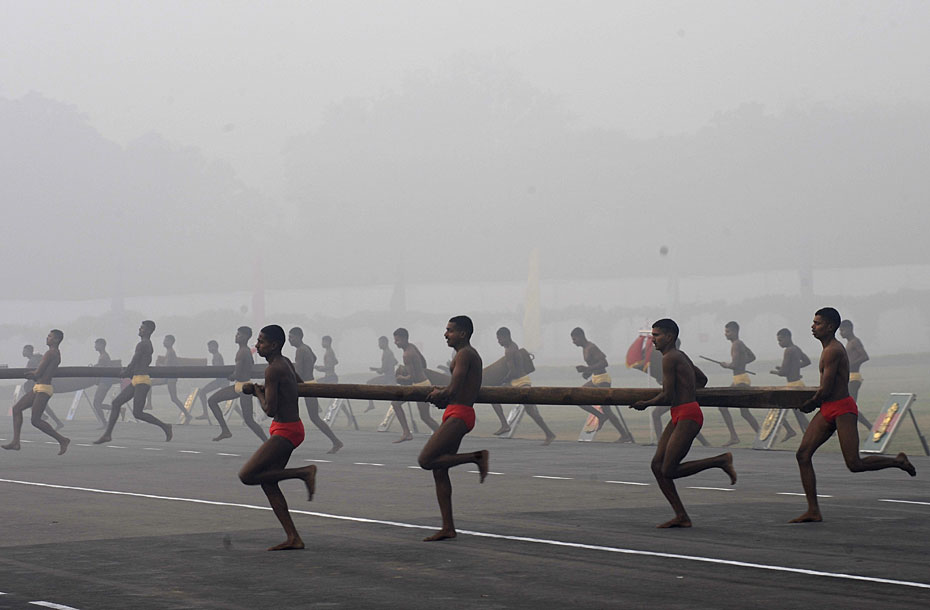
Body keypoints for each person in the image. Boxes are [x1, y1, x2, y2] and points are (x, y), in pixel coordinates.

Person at [790, 307, 915, 523]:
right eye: (813, 322)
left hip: (842, 409)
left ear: (830, 326)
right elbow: (825, 390)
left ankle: (898, 461)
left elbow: (826, 389)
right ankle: (813, 510)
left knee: (854, 464)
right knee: (802, 455)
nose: (813, 326)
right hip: (828, 408)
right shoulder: (827, 349)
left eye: (817, 323)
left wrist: (809, 404)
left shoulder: (833, 350)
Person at [631, 319, 736, 528]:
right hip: (680, 413)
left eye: (656, 335)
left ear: (669, 336)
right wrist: (686, 389)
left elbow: (667, 395)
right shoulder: (680, 355)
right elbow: (702, 379)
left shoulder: (670, 358)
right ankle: (681, 516)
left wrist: (645, 403)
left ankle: (720, 460)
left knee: (669, 470)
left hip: (688, 414)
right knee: (657, 466)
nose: (653, 340)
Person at [239, 325, 318, 551]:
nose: (257, 345)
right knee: (268, 481)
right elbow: (299, 385)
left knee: (247, 475)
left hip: (287, 430)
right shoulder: (286, 363)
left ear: (273, 345)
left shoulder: (273, 370)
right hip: (288, 427)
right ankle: (293, 537)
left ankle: (303, 472)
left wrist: (258, 393)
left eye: (261, 342)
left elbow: (270, 410)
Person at [419, 315, 490, 541]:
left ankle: (476, 457)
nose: (445, 334)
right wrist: (443, 396)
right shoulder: (463, 355)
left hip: (460, 414)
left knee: (426, 460)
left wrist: (440, 394)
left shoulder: (465, 354)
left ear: (463, 333)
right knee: (439, 471)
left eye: (450, 330)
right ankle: (448, 527)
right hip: (454, 412)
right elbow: (455, 389)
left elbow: (454, 388)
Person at [95, 321, 172, 444]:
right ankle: (107, 434)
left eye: (142, 328)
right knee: (116, 403)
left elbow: (134, 361)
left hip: (142, 380)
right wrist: (129, 372)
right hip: (136, 379)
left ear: (148, 331)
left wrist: (125, 372)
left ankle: (165, 426)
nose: (140, 329)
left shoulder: (143, 344)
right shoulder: (147, 344)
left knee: (138, 413)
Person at [2, 330, 71, 454]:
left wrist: (30, 374)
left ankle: (62, 440)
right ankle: (16, 441)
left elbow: (38, 373)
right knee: (17, 409)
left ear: (56, 339)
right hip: (38, 387)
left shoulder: (50, 353)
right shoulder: (56, 353)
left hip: (44, 388)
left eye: (50, 336)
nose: (47, 338)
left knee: (36, 420)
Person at [489, 327, 556, 445]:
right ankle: (549, 434)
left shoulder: (509, 351)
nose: (498, 341)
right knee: (531, 411)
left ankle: (505, 425)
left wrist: (504, 381)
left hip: (520, 383)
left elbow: (513, 372)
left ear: (506, 337)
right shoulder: (513, 346)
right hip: (521, 381)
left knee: (493, 396)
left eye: (499, 339)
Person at [571, 327, 633, 442]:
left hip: (603, 379)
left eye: (574, 339)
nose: (573, 342)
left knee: (607, 409)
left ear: (580, 336)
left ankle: (625, 435)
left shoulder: (591, 347)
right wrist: (587, 372)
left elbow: (604, 363)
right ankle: (600, 416)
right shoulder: (585, 348)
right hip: (595, 379)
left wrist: (587, 368)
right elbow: (594, 364)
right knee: (577, 397)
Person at [206, 327, 267, 442]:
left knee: (249, 420)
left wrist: (230, 376)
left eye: (239, 334)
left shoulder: (242, 352)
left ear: (245, 337)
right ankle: (225, 431)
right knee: (212, 401)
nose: (236, 336)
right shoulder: (246, 351)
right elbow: (250, 365)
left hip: (244, 387)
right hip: (240, 385)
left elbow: (237, 374)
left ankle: (266, 441)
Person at [289, 326, 342, 453]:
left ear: (298, 337)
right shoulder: (306, 347)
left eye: (291, 337)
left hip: (306, 386)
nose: (289, 340)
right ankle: (336, 441)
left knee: (313, 417)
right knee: (312, 417)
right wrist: (308, 368)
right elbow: (314, 358)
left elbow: (298, 372)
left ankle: (336, 441)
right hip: (310, 383)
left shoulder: (300, 350)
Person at [390, 328, 439, 442]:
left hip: (420, 386)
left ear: (404, 339)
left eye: (397, 340)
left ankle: (407, 433)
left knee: (424, 416)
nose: (395, 343)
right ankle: (442, 435)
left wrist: (400, 377)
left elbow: (411, 377)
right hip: (423, 383)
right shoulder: (412, 347)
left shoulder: (407, 355)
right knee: (424, 417)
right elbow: (424, 363)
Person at [716, 321, 760, 446]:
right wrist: (742, 362)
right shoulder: (740, 343)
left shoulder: (736, 344)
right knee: (744, 412)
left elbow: (734, 365)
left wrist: (726, 365)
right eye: (725, 331)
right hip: (740, 379)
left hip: (740, 380)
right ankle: (761, 435)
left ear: (735, 331)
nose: (725, 334)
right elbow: (752, 357)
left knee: (723, 407)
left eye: (728, 331)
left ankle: (735, 437)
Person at [769, 328, 812, 439]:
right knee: (799, 414)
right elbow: (807, 361)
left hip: (793, 386)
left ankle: (791, 430)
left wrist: (776, 372)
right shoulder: (796, 348)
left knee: (777, 406)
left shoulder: (788, 350)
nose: (779, 343)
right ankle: (808, 434)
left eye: (781, 340)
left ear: (788, 337)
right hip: (798, 383)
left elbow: (783, 372)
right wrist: (794, 367)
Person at [838, 320, 873, 431]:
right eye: (840, 331)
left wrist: (851, 364)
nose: (841, 333)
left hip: (854, 377)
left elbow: (864, 356)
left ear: (849, 329)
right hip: (849, 377)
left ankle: (870, 427)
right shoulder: (849, 343)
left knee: (849, 406)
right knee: (847, 406)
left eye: (842, 330)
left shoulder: (855, 342)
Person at [20, 344, 64, 429]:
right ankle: (57, 422)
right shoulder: (36, 359)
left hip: (41, 385)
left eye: (25, 350)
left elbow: (35, 374)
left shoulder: (33, 361)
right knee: (44, 406)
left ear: (29, 351)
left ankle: (53, 421)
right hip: (41, 385)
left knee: (39, 404)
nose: (23, 352)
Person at [161, 334, 191, 424]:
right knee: (150, 384)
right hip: (168, 376)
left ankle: (187, 415)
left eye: (166, 340)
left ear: (171, 342)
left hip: (171, 377)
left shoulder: (171, 352)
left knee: (174, 398)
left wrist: (159, 365)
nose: (164, 342)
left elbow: (167, 366)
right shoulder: (169, 352)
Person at [365, 335, 398, 413]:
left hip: (388, 378)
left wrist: (377, 370)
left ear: (385, 343)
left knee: (368, 383)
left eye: (380, 343)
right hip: (390, 376)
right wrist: (377, 369)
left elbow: (383, 370)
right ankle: (371, 404)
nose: (379, 345)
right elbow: (395, 362)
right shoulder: (389, 352)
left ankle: (371, 404)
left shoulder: (387, 353)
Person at [195, 340, 226, 421]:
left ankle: (205, 413)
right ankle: (205, 414)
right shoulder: (216, 356)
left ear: (216, 347)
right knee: (228, 398)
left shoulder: (217, 356)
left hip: (221, 380)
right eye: (208, 347)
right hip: (220, 380)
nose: (209, 349)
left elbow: (218, 369)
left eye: (211, 347)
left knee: (202, 393)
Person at [91, 338, 118, 427]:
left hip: (105, 381)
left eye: (96, 344)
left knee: (96, 403)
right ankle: (116, 409)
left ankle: (105, 422)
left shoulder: (104, 356)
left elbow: (101, 368)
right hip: (104, 381)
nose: (95, 346)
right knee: (97, 403)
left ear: (101, 345)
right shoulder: (103, 356)